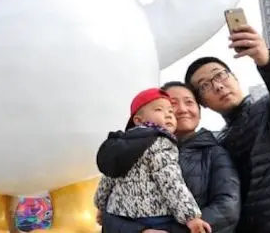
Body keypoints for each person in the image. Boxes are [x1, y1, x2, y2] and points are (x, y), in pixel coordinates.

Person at [184, 24, 270, 233]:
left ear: (234, 77)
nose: (218, 86)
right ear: (202, 103)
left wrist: (266, 60)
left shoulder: (269, 109)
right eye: (204, 86)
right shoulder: (217, 145)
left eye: (220, 75)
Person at [100, 84, 240, 233]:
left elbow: (227, 210)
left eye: (189, 102)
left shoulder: (215, 153)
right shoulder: (133, 148)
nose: (181, 109)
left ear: (199, 110)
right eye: (172, 105)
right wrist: (140, 231)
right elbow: (107, 215)